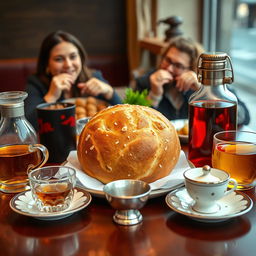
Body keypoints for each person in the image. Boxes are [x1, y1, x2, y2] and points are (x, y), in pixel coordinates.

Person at [135, 36, 250, 125]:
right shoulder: (145, 82)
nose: (169, 68)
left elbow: (243, 117)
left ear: (192, 69)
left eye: (178, 66)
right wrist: (154, 94)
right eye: (168, 60)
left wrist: (204, 90)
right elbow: (136, 125)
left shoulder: (201, 84)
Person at [25, 30, 122, 130]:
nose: (68, 65)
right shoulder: (36, 83)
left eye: (73, 57)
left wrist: (110, 92)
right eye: (59, 59)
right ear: (47, 64)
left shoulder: (93, 77)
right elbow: (27, 127)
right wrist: (51, 96)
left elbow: (122, 116)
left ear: (81, 58)